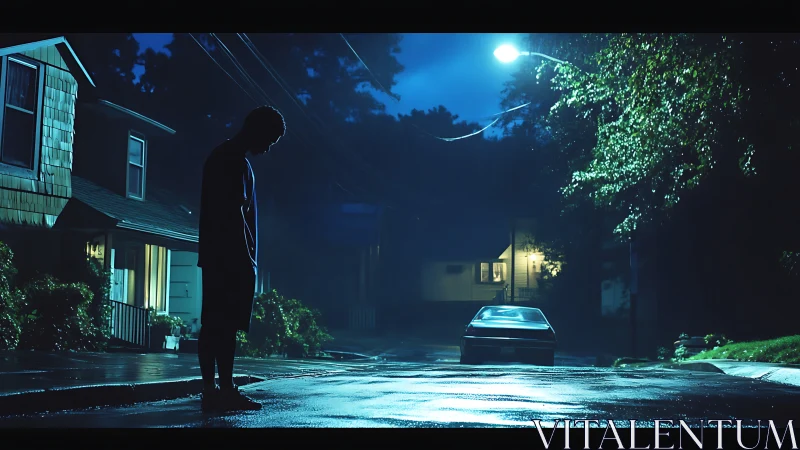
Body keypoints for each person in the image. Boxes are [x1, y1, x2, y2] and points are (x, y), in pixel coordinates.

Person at [197, 105, 286, 412]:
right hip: (228, 257)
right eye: (270, 139)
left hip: (223, 256)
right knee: (220, 325)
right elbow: (232, 215)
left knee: (220, 325)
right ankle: (218, 389)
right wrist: (244, 258)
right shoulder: (231, 161)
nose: (269, 146)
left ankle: (219, 389)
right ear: (257, 130)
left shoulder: (230, 159)